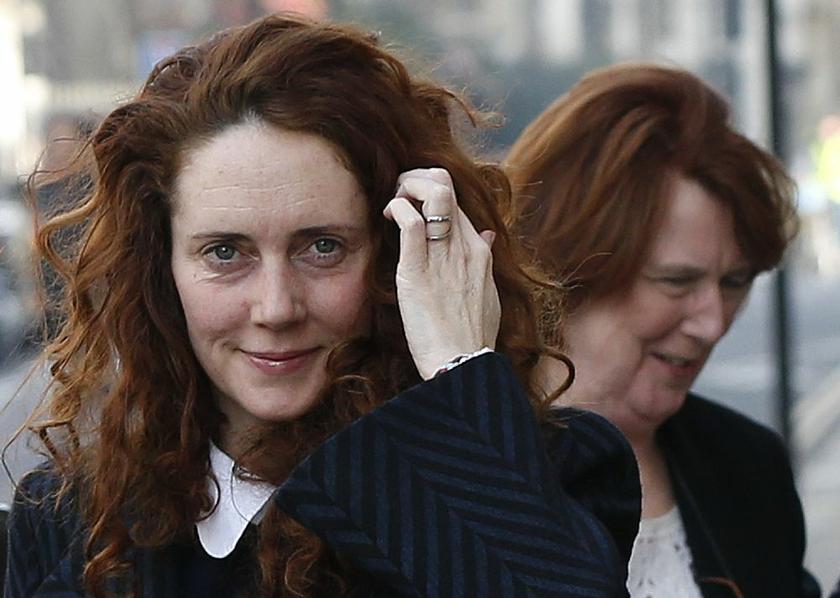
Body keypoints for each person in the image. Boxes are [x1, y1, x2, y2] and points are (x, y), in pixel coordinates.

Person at [4, 14, 641, 598]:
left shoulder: (554, 469)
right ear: (161, 270)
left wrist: (457, 371)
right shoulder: (73, 521)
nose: (276, 307)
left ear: (395, 257)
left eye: (323, 247)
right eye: (226, 252)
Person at [505, 63, 820, 597]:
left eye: (735, 282)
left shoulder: (746, 464)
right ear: (567, 264)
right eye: (676, 281)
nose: (712, 322)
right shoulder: (468, 469)